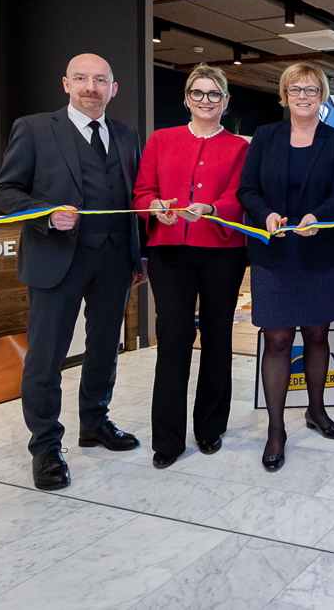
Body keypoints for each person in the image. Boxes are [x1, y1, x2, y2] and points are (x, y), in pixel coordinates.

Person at [0, 53, 144, 491]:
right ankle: (45, 446)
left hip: (114, 259)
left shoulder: (126, 135)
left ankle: (95, 422)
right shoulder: (35, 128)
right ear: (65, 83)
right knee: (46, 356)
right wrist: (44, 215)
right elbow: (3, 191)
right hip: (56, 258)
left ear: (113, 89)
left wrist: (140, 256)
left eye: (100, 80)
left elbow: (132, 200)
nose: (90, 87)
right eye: (81, 78)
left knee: (104, 350)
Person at [237, 62, 334, 472]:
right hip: (274, 252)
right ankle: (275, 429)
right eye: (295, 89)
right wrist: (266, 214)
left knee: (318, 335)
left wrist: (316, 218)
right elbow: (246, 189)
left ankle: (316, 411)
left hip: (320, 250)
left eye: (311, 89)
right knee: (278, 341)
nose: (303, 96)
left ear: (322, 95)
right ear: (284, 95)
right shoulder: (265, 137)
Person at [132, 64, 248, 469]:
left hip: (221, 250)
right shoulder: (161, 140)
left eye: (213, 94)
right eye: (197, 93)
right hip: (169, 252)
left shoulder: (239, 147)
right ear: (185, 98)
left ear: (225, 101)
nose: (205, 101)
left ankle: (210, 427)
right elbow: (142, 191)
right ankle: (167, 438)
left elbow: (239, 195)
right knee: (174, 339)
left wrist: (214, 207)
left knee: (217, 338)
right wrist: (154, 207)